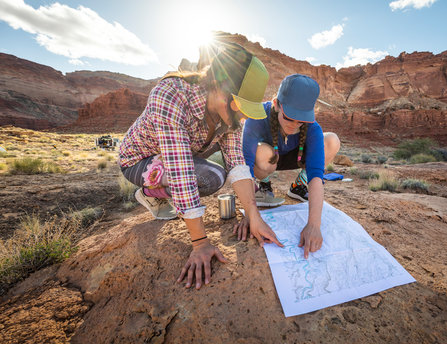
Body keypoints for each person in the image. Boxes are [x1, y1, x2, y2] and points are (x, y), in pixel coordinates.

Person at [118, 43, 283, 290]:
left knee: (216, 176)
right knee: (207, 177)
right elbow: (182, 171)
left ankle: (157, 191)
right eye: (240, 106)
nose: (244, 116)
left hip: (175, 159)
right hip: (139, 161)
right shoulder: (171, 94)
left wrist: (253, 215)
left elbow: (237, 163)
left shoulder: (227, 116)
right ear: (218, 85)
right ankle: (150, 191)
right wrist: (200, 243)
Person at [236, 74, 341, 258]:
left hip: (296, 157)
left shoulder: (311, 127)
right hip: (268, 159)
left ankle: (299, 187)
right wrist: (250, 214)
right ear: (276, 104)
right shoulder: (258, 116)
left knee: (331, 140)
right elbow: (246, 167)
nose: (294, 126)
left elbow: (317, 176)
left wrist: (314, 225)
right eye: (289, 118)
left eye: (301, 121)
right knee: (262, 153)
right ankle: (264, 187)